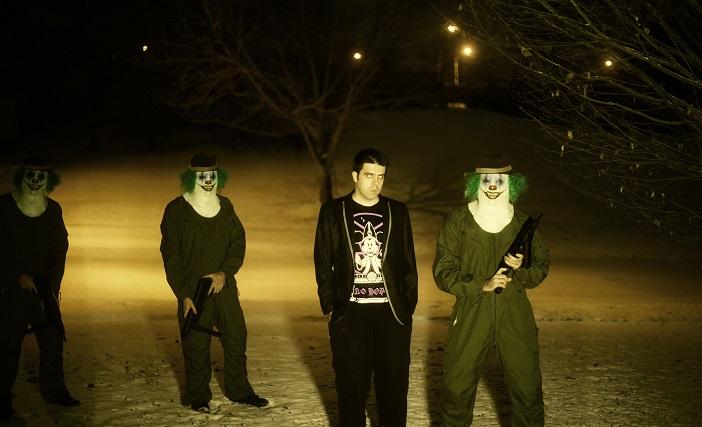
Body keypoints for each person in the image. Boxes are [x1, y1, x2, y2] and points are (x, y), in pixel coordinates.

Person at [432, 154, 550, 426]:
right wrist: (480, 285)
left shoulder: (523, 222)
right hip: (471, 312)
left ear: (511, 183)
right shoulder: (458, 221)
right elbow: (442, 272)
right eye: (486, 180)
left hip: (515, 315)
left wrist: (522, 267)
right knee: (457, 391)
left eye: (499, 180)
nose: (493, 186)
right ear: (476, 183)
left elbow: (539, 268)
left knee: (528, 393)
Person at [314, 148, 418, 426]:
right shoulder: (333, 211)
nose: (375, 183)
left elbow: (409, 263)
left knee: (394, 389)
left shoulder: (397, 211)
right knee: (351, 389)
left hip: (391, 315)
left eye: (381, 176)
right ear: (355, 176)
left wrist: (406, 307)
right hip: (351, 313)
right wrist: (330, 306)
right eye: (369, 175)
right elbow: (322, 263)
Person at [160, 152, 268, 414]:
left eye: (211, 175)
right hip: (193, 289)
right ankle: (198, 396)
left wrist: (225, 273)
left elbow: (238, 243)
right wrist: (184, 293)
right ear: (191, 178)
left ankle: (239, 391)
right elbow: (171, 256)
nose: (208, 180)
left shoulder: (226, 206)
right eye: (201, 176)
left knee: (236, 337)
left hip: (223, 286)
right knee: (196, 344)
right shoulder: (177, 210)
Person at [0, 156, 80, 420]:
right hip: (11, 290)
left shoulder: (53, 210)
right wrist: (15, 276)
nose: (35, 180)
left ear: (49, 179)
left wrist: (52, 288)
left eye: (41, 176)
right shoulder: (4, 207)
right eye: (30, 175)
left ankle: (55, 392)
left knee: (52, 340)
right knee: (7, 345)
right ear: (21, 176)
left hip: (43, 289)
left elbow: (59, 249)